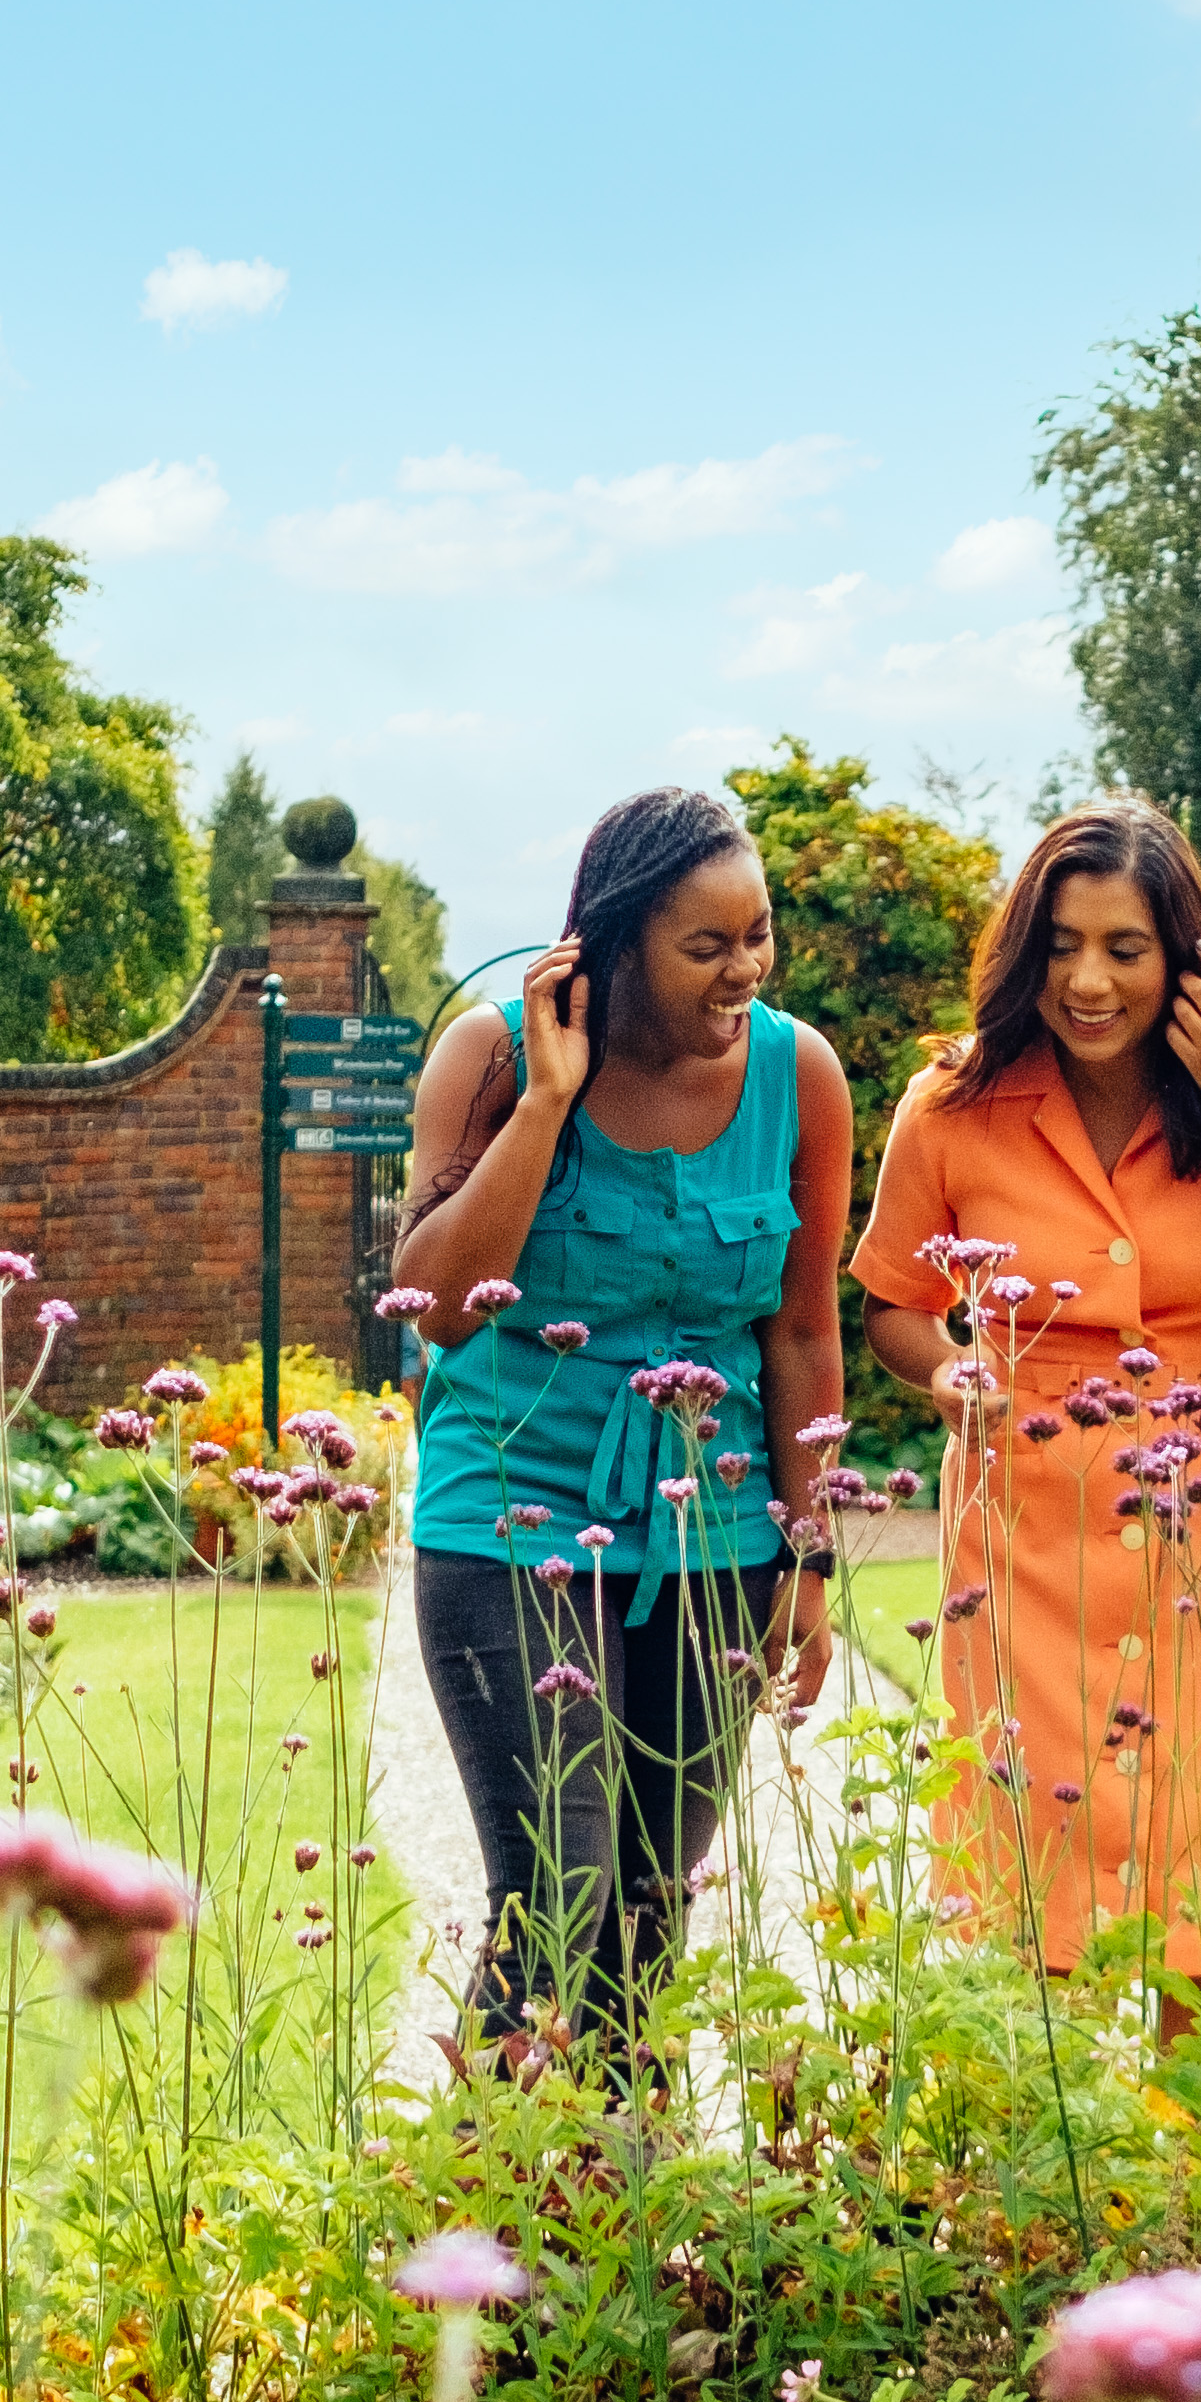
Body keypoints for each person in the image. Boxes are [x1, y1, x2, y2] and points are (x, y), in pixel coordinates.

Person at [851, 800, 1201, 1982]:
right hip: (1028, 1520)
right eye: (1059, 945)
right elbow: (892, 1300)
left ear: (1185, 956)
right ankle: (1030, 2157)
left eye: (1124, 948)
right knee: (1018, 1871)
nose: (1086, 981)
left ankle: (1200, 2161)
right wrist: (947, 1367)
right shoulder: (951, 1101)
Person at [390, 787, 848, 2057]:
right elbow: (432, 1302)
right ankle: (482, 2229)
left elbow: (804, 1330)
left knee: (648, 1921)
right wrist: (546, 1101)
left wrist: (805, 1562)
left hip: (711, 1524)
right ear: (617, 940)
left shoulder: (798, 1075)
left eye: (758, 934)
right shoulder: (490, 1054)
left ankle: (618, 2229)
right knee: (555, 1901)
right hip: (511, 1504)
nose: (743, 968)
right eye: (707, 946)